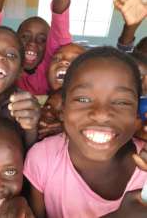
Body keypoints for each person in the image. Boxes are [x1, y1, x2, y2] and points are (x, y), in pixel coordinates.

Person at [24, 47, 147, 217]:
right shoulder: (43, 159)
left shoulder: (145, 169)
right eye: (83, 99)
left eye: (122, 102)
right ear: (63, 109)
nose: (102, 114)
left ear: (137, 113)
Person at [0, 0, 71, 95]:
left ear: (48, 46)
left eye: (42, 40)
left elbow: (60, 22)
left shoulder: (49, 69)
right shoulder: (3, 63)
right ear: (15, 40)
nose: (32, 43)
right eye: (25, 37)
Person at [38, 43, 86, 139]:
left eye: (75, 60)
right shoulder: (33, 102)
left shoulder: (94, 108)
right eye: (56, 59)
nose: (63, 61)